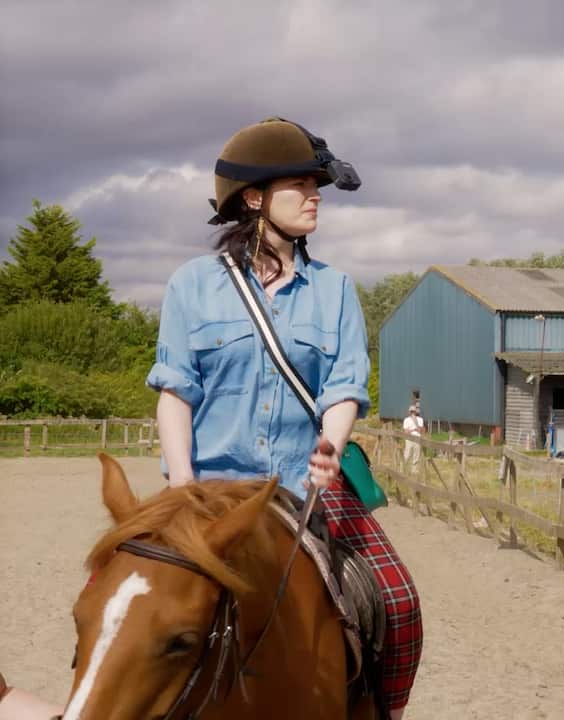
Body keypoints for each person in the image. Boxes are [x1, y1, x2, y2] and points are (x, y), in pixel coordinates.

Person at [144, 117, 423, 718]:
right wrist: (183, 484)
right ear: (255, 198)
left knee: (398, 600)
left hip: (304, 486)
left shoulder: (336, 288)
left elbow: (345, 384)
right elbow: (175, 392)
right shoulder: (192, 285)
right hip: (211, 489)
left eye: (317, 184)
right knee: (124, 604)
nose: (316, 195)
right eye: (301, 184)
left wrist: (330, 445)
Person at [403, 403, 425, 473]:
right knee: (407, 454)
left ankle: (414, 470)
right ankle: (403, 468)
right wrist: (413, 430)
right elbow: (406, 431)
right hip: (409, 438)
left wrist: (415, 422)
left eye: (413, 411)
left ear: (416, 411)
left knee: (416, 454)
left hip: (417, 438)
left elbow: (420, 430)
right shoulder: (406, 420)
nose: (412, 412)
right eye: (411, 411)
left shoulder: (420, 419)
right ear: (409, 412)